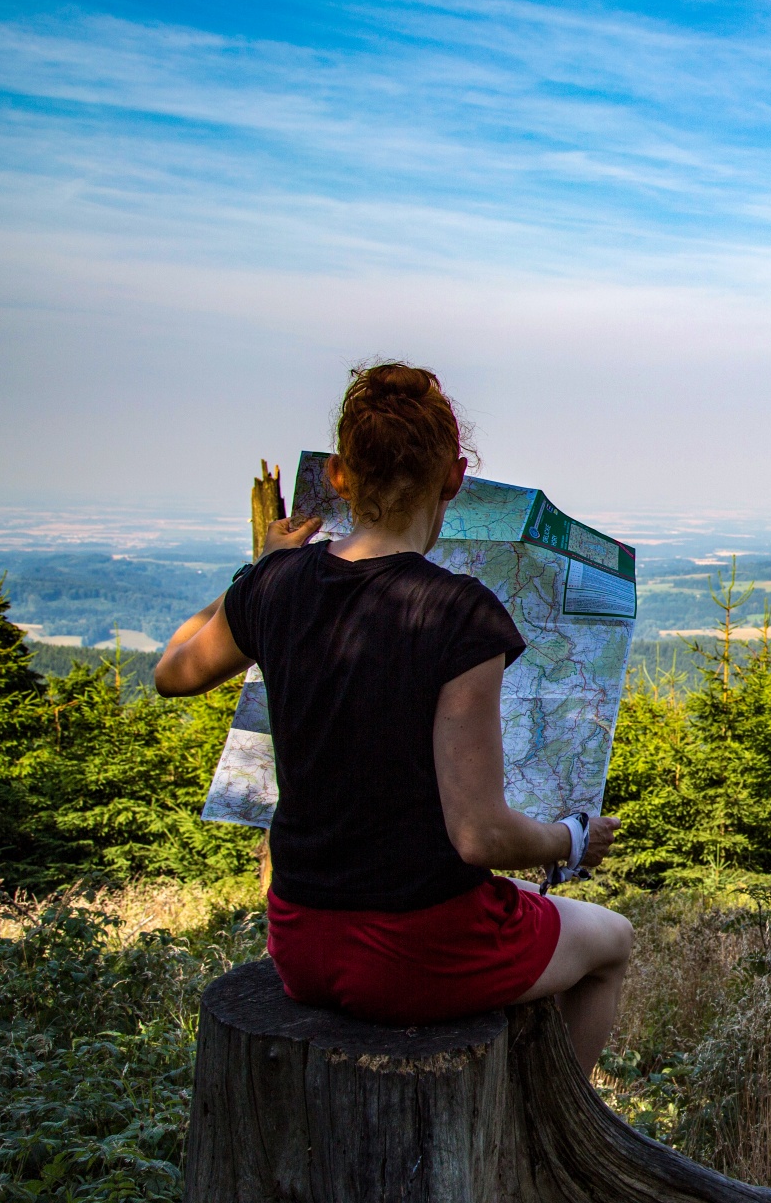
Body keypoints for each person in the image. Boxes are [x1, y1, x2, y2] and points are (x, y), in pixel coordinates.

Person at [155, 363, 631, 1076]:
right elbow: (478, 835)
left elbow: (173, 672)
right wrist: (569, 839)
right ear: (454, 478)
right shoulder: (458, 612)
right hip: (415, 953)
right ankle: (559, 1149)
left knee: (523, 903)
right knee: (612, 940)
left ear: (341, 475)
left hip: (298, 938)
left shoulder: (275, 583)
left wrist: (256, 570)